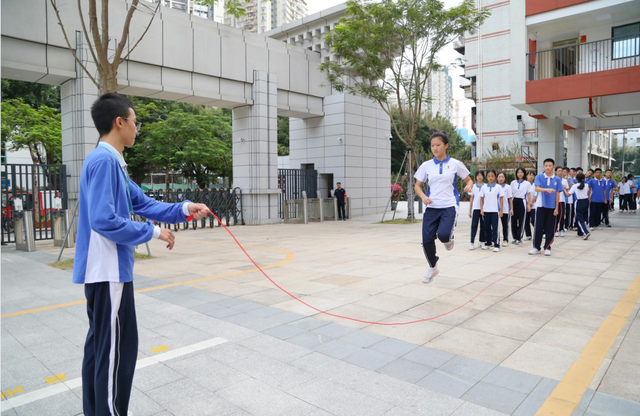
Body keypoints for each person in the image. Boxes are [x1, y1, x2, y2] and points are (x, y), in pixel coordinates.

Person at [73, 93, 209, 416]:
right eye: (135, 122)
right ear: (119, 123)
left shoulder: (111, 162)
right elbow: (104, 220)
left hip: (105, 273)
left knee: (100, 350)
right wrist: (152, 232)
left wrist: (184, 209)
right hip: (109, 271)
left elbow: (144, 203)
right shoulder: (104, 161)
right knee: (115, 354)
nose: (137, 128)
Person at [414, 131, 473, 284]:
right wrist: (423, 197)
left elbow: (469, 180)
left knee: (443, 235)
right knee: (426, 240)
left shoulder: (455, 163)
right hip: (431, 206)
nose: (435, 148)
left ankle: (448, 239)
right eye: (432, 145)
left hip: (448, 205)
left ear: (446, 145)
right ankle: (432, 267)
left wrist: (468, 186)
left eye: (438, 145)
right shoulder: (426, 165)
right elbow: (417, 186)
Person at [529, 158, 562, 256]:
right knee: (538, 227)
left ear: (553, 167)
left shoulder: (557, 179)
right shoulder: (539, 177)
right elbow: (537, 188)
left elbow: (558, 194)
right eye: (546, 165)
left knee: (550, 228)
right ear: (543, 167)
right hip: (540, 205)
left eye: (550, 165)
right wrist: (547, 189)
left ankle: (547, 247)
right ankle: (536, 247)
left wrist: (557, 208)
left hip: (552, 207)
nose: (548, 167)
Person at [480, 170, 504, 252]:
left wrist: (501, 210)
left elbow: (501, 199)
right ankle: (488, 243)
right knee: (486, 227)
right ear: (487, 177)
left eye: (492, 176)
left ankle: (496, 244)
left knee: (495, 228)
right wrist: (481, 209)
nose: (490, 178)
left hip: (495, 211)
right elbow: (481, 199)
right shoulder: (484, 187)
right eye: (489, 176)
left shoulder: (498, 187)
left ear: (495, 177)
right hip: (486, 210)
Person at [565, 173, 591, 240]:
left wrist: (564, 189)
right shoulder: (586, 185)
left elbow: (568, 194)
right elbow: (582, 188)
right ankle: (580, 232)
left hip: (579, 202)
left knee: (579, 219)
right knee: (584, 217)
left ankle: (585, 232)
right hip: (586, 201)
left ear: (576, 179)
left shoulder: (575, 186)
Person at [510, 167, 530, 245]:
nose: (520, 174)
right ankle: (514, 237)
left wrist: (528, 205)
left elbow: (528, 194)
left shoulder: (527, 183)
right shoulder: (513, 182)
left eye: (521, 172)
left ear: (524, 173)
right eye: (518, 172)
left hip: (522, 201)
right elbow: (510, 194)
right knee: (513, 220)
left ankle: (519, 237)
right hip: (514, 201)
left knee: (521, 220)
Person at [468, 170, 486, 250]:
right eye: (478, 175)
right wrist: (470, 210)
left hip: (484, 209)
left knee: (483, 226)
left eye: (481, 175)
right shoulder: (473, 186)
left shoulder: (485, 186)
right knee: (474, 225)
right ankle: (472, 242)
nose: (479, 177)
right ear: (475, 177)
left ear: (483, 176)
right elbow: (472, 198)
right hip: (475, 208)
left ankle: (482, 241)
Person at [497, 172, 513, 246]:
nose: (501, 178)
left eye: (502, 177)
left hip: (505, 209)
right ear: (497, 178)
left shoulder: (508, 187)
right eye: (499, 177)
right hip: (496, 209)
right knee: (496, 225)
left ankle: (505, 239)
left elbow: (510, 199)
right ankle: (495, 239)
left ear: (505, 178)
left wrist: (511, 209)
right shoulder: (495, 186)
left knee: (505, 225)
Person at [554, 166, 569, 237]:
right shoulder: (553, 179)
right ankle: (555, 230)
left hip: (561, 200)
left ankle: (561, 229)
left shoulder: (564, 180)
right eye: (559, 171)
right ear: (556, 172)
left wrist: (564, 187)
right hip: (554, 200)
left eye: (561, 171)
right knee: (555, 215)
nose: (560, 172)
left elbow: (567, 189)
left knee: (562, 215)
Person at [524, 171, 537, 241]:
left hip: (533, 205)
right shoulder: (525, 184)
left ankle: (539, 232)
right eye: (530, 175)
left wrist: (531, 202)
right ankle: (528, 234)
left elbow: (535, 195)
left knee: (534, 220)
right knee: (526, 220)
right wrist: (528, 203)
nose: (531, 177)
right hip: (525, 205)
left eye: (532, 175)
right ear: (526, 176)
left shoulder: (535, 185)